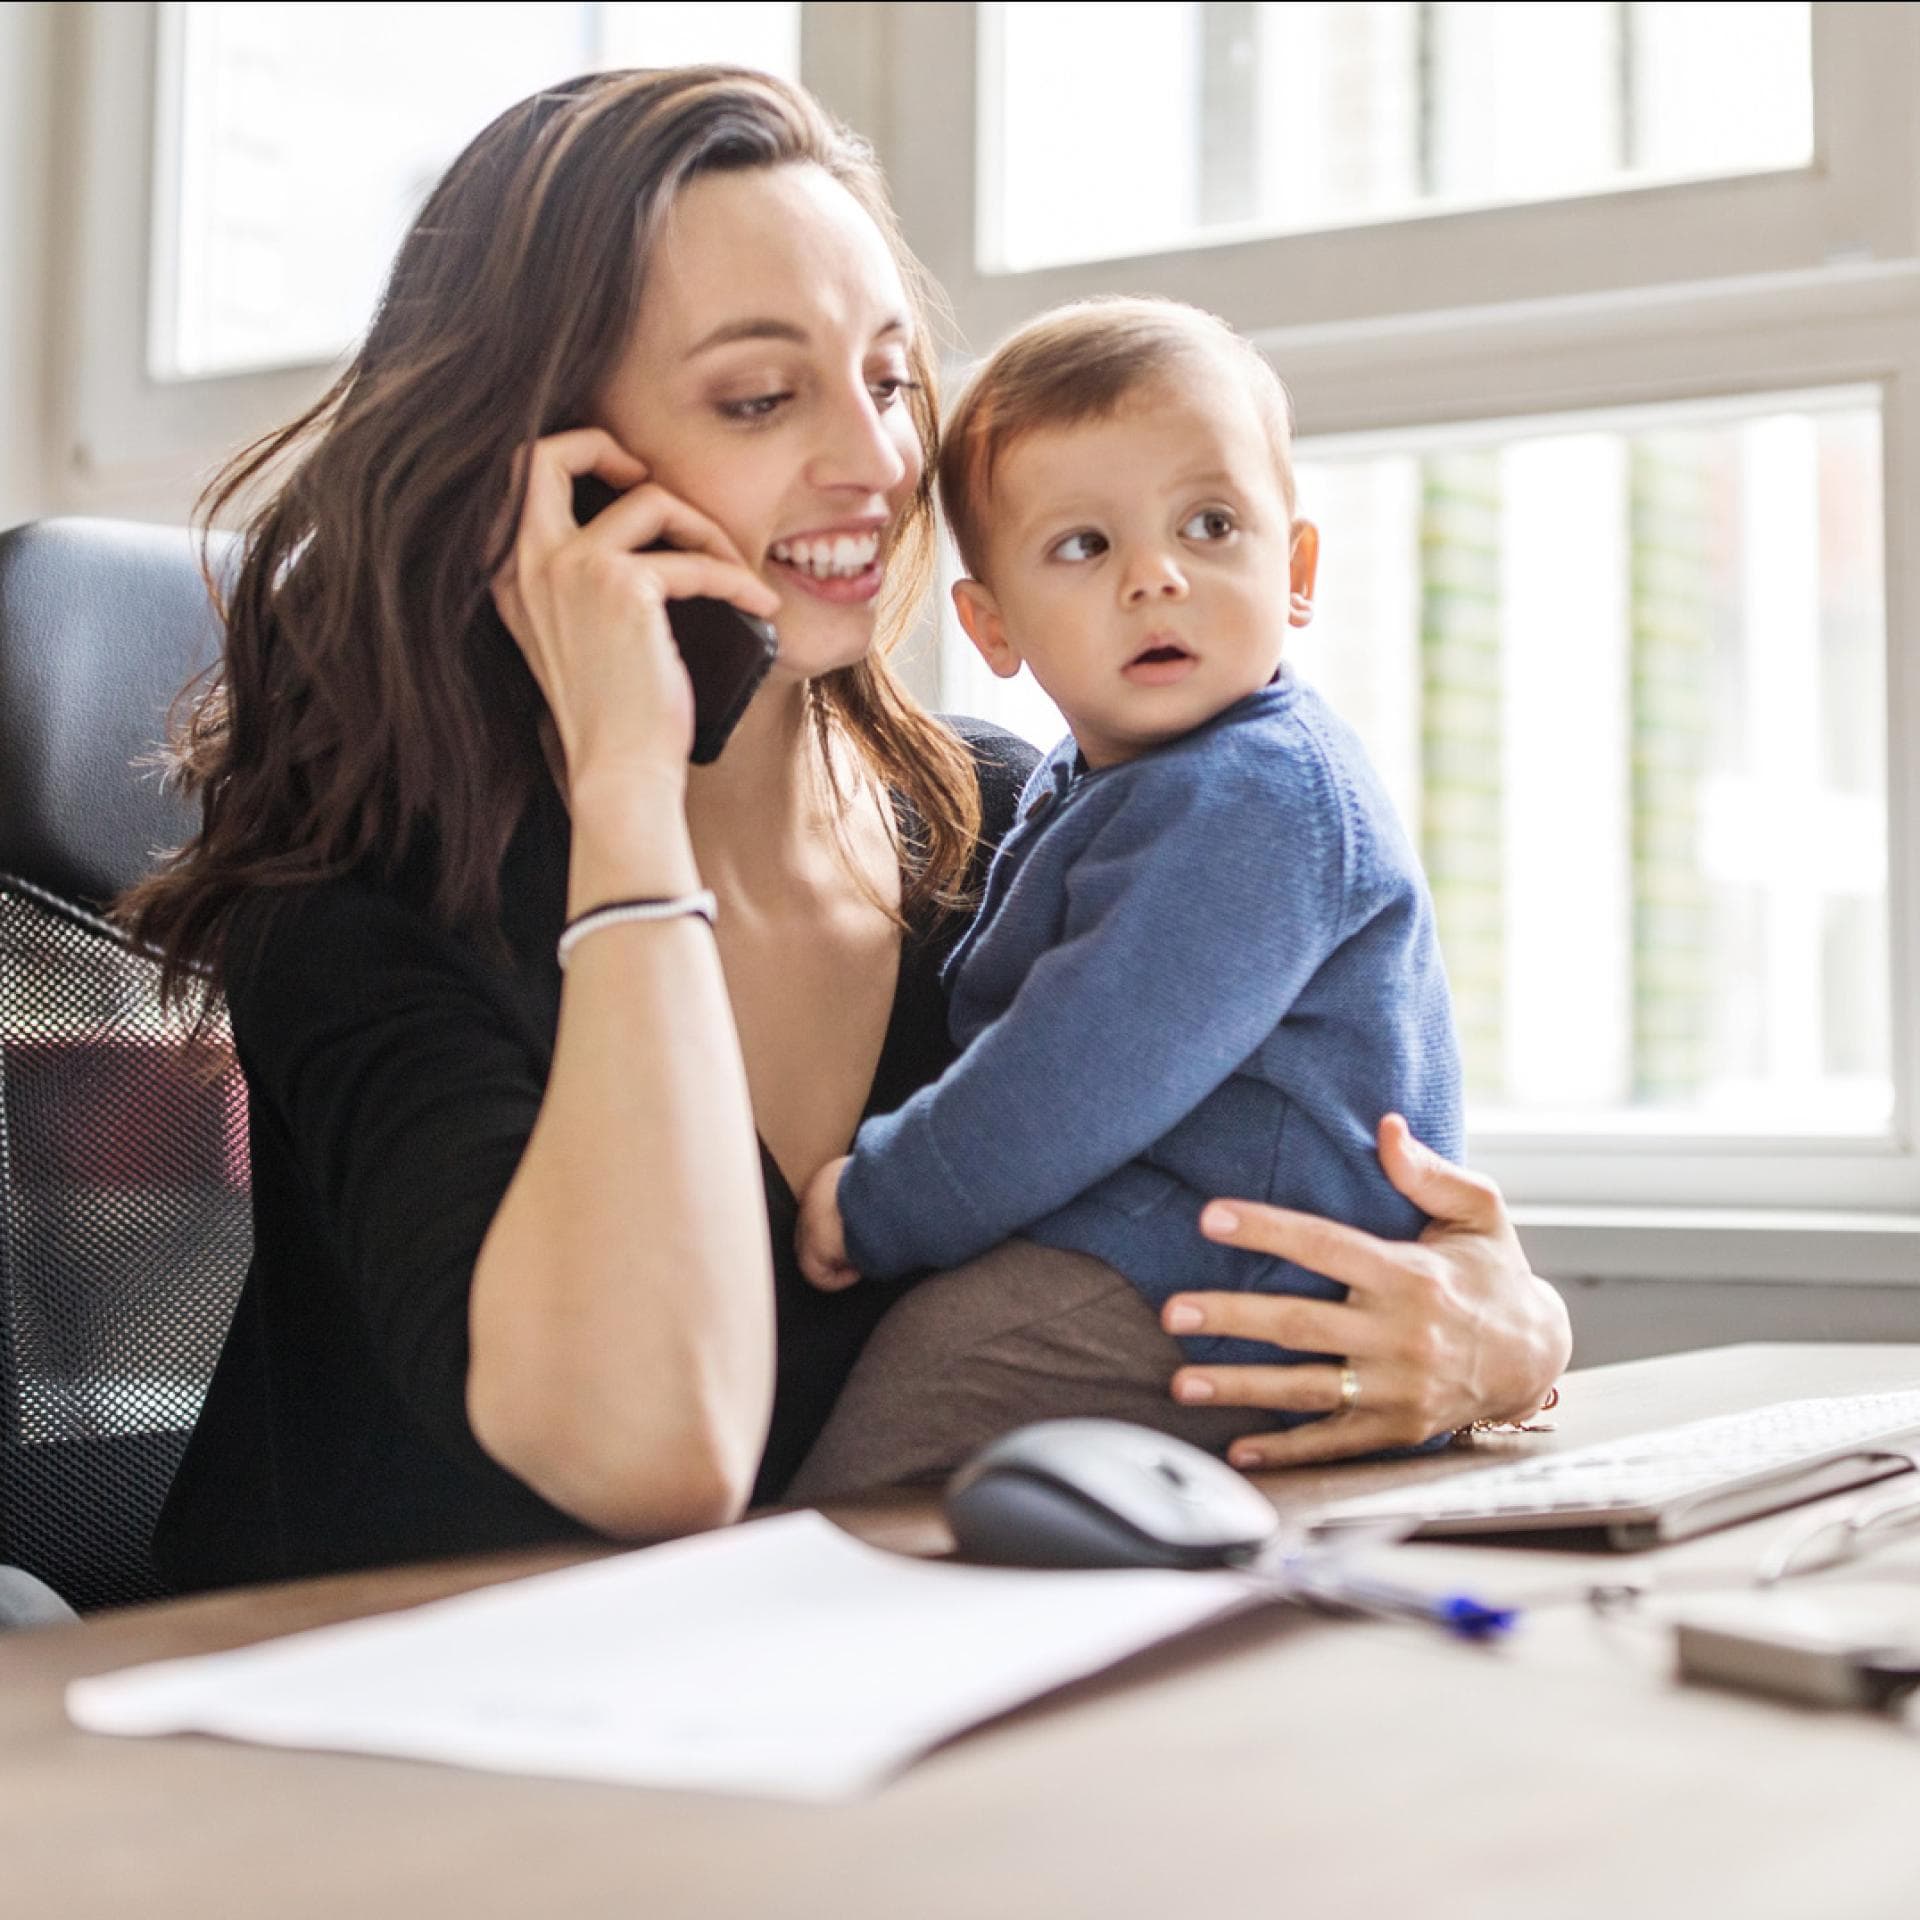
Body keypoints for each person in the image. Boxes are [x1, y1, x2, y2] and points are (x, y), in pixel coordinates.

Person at [120, 66, 1569, 1592]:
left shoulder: (1011, 829)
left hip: (868, 1734)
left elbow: (1325, 1192)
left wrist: (1499, 1330)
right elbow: (656, 1454)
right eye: (759, 397)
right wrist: (628, 787)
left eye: (886, 379)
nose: (881, 464)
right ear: (545, 476)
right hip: (369, 1765)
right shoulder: (364, 903)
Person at [787, 298, 1464, 1495]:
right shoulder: (1102, 778)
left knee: (900, 1422)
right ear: (992, 624)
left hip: (1228, 1280)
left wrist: (880, 1204)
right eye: (1083, 547)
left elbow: (1074, 1069)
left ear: (1296, 570)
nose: (1157, 578)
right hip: (1177, 1257)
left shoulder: (1257, 797)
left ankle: (783, 1619)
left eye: (1210, 525)